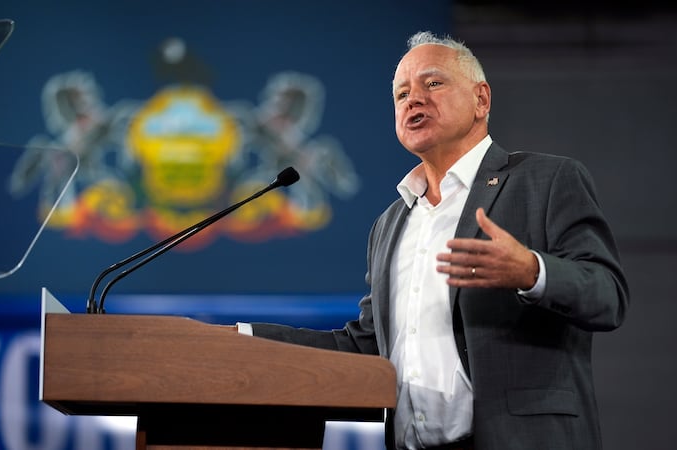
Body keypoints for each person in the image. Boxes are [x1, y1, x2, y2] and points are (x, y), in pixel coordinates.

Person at [237, 30, 629, 450]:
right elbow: (367, 346)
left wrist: (531, 271)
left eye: (433, 83)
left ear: (482, 100)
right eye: (402, 93)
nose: (413, 99)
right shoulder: (389, 225)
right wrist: (242, 339)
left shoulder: (545, 181)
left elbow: (608, 295)